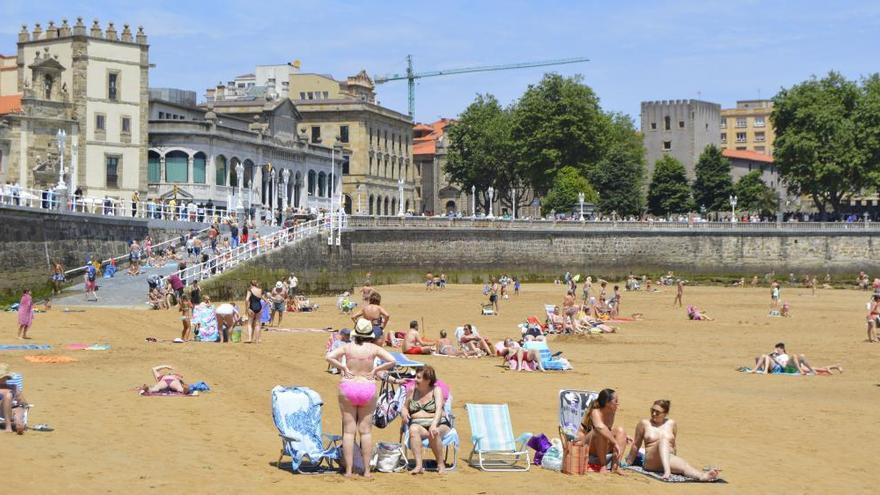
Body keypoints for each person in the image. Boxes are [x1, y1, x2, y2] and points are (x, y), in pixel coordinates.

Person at [325, 318, 397, 478]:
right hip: (367, 386)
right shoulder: (373, 348)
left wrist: (342, 366)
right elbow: (392, 361)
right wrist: (377, 368)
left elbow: (329, 357)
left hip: (348, 386)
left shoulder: (348, 347)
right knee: (366, 432)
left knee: (349, 432)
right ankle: (367, 471)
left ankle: (349, 470)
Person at [626, 400, 720, 481]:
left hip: (667, 457)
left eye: (657, 412)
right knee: (663, 440)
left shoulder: (671, 424)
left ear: (665, 413)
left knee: (684, 466)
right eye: (652, 410)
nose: (654, 414)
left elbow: (673, 444)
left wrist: (675, 460)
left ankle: (702, 476)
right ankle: (667, 471)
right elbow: (636, 444)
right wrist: (628, 462)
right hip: (651, 461)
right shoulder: (644, 424)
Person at [401, 366, 450, 474]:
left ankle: (440, 464)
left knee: (433, 432)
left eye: (418, 378)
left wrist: (434, 424)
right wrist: (404, 411)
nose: (415, 380)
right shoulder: (412, 390)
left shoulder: (436, 390)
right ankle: (419, 466)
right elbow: (405, 406)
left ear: (427, 380)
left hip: (439, 423)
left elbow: (438, 409)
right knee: (413, 429)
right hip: (419, 424)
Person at [575, 388, 628, 473]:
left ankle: (615, 466)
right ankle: (602, 465)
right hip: (588, 445)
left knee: (620, 431)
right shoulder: (595, 412)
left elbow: (608, 430)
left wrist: (622, 437)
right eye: (616, 401)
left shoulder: (612, 412)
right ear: (607, 403)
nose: (618, 403)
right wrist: (614, 442)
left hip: (602, 444)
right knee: (599, 432)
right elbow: (600, 427)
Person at [0, 363, 28, 434]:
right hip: (2, 411)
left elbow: (23, 402)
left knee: (19, 409)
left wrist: (21, 405)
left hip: (14, 408)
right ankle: (9, 426)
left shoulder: (14, 387)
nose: (3, 379)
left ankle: (18, 423)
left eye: (5, 377)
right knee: (8, 395)